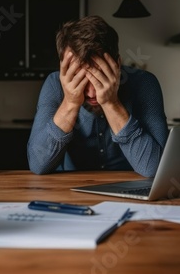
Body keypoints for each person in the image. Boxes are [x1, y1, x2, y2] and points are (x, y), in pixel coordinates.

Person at [27, 15, 169, 177]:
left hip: (130, 188)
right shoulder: (54, 83)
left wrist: (111, 103)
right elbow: (38, 165)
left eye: (100, 76)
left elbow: (154, 168)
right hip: (70, 192)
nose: (92, 93)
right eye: (80, 79)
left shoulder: (144, 83)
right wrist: (70, 103)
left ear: (117, 64)